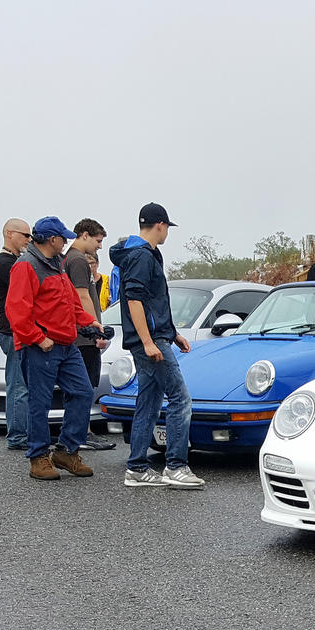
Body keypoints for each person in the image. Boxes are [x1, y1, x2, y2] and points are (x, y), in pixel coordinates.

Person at [114, 203, 203, 490]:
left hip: (156, 338)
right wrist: (149, 341)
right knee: (180, 399)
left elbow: (155, 301)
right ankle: (175, 466)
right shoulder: (141, 256)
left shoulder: (146, 254)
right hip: (149, 342)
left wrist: (172, 332)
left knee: (149, 401)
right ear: (160, 225)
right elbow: (135, 300)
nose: (167, 233)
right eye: (166, 228)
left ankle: (137, 468)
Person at [5, 216, 99, 481]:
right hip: (42, 347)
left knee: (82, 392)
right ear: (53, 239)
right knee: (39, 403)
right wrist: (37, 338)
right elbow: (16, 310)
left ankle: (67, 451)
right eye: (63, 237)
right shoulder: (26, 266)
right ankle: (38, 458)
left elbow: (69, 301)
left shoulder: (57, 263)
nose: (67, 241)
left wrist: (88, 321)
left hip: (66, 344)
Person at [64, 218, 116, 451]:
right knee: (84, 386)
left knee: (80, 386)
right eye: (98, 240)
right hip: (83, 337)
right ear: (84, 235)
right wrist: (95, 328)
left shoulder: (68, 259)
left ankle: (78, 433)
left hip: (78, 333)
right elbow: (82, 296)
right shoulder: (77, 261)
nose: (99, 246)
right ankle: (82, 434)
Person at [0, 217, 31, 451]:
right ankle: (17, 436)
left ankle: (21, 432)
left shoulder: (13, 260)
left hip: (13, 329)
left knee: (20, 384)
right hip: (12, 330)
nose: (29, 239)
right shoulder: (5, 262)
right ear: (9, 234)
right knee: (18, 386)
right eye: (25, 235)